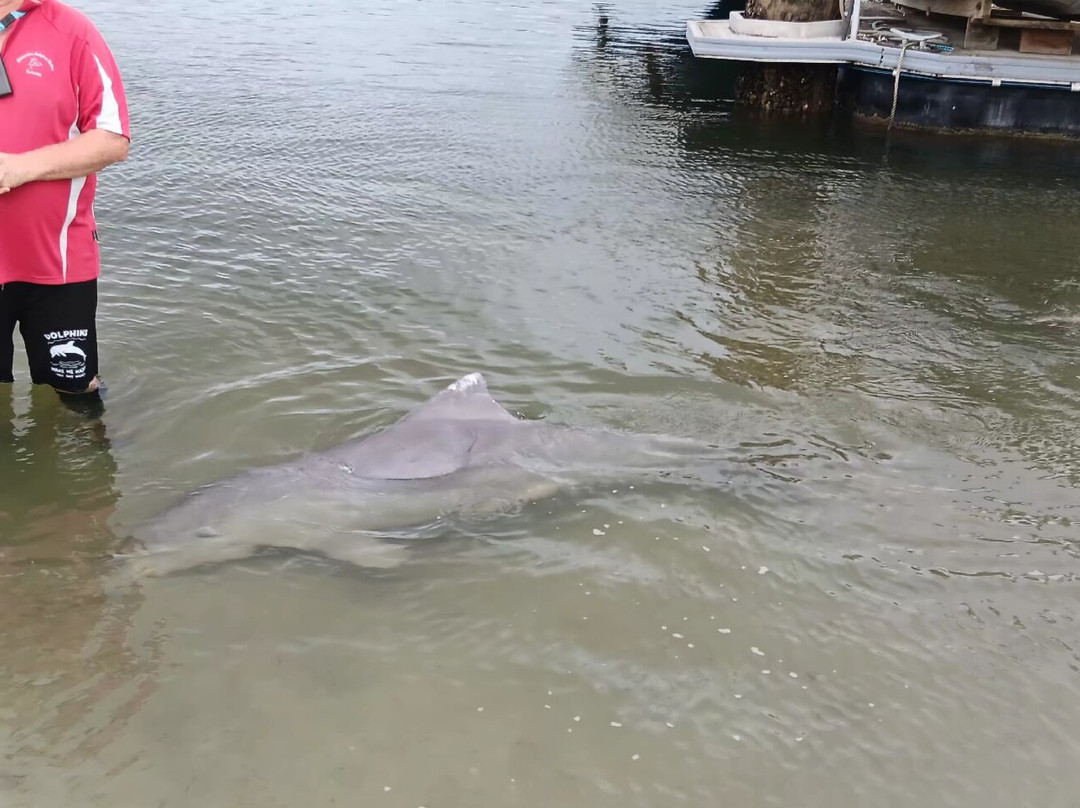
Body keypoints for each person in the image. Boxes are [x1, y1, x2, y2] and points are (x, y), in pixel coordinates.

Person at [0, 0, 130, 413]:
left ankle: (86, 476)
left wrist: (22, 167)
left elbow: (113, 137)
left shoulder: (71, 30)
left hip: (57, 262)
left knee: (76, 395)